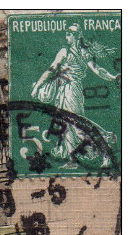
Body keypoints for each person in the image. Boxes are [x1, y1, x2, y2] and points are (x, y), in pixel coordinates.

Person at [31, 24, 120, 168]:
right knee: (65, 126)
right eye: (66, 34)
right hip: (62, 90)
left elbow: (98, 70)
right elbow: (51, 70)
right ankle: (73, 159)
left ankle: (107, 143)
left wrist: (113, 77)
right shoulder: (64, 51)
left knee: (77, 126)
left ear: (77, 35)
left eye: (70, 33)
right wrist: (37, 86)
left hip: (72, 90)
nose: (67, 36)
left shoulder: (83, 53)